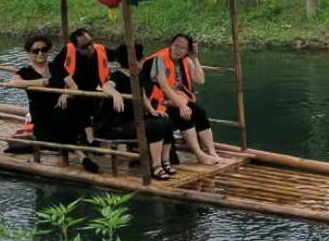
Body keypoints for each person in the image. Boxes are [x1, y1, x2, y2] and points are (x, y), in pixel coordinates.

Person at [95, 42, 177, 179]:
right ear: (135, 60)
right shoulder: (118, 75)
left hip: (132, 121)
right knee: (155, 126)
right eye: (141, 57)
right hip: (116, 125)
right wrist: (115, 94)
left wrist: (152, 111)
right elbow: (107, 86)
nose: (144, 60)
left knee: (165, 120)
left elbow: (143, 95)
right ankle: (155, 166)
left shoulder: (137, 75)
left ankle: (165, 160)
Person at [145, 33, 221, 165]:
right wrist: (181, 105)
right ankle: (200, 154)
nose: (177, 50)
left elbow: (200, 79)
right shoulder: (159, 59)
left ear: (187, 50)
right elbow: (164, 87)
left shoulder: (186, 60)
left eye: (182, 48)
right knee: (184, 115)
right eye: (175, 46)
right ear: (171, 45)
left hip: (175, 101)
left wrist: (195, 58)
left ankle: (211, 151)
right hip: (157, 103)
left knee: (199, 110)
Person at [59, 27, 125, 173]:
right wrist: (63, 92)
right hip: (73, 94)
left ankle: (97, 135)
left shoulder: (100, 50)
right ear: (76, 47)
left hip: (94, 94)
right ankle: (85, 141)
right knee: (71, 105)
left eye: (91, 43)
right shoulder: (68, 53)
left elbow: (120, 55)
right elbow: (56, 72)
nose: (90, 48)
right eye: (84, 46)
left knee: (108, 101)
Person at [4, 35, 74, 157]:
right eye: (36, 51)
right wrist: (35, 83)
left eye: (44, 49)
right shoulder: (25, 72)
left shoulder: (56, 68)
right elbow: (11, 83)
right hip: (41, 115)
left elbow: (74, 87)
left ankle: (72, 145)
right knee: (52, 139)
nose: (40, 53)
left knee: (65, 122)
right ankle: (73, 149)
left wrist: (65, 94)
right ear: (29, 53)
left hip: (61, 111)